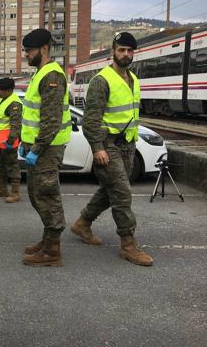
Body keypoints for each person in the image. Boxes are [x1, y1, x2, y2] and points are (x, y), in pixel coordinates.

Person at [72, 32, 153, 266]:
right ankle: (128, 244)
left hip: (127, 144)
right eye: (121, 50)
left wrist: (133, 141)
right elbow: (90, 119)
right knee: (122, 193)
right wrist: (97, 148)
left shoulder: (133, 79)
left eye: (129, 50)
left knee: (111, 190)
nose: (126, 54)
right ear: (113, 52)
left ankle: (82, 223)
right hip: (108, 145)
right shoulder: (102, 80)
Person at [20, 28, 71, 267]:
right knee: (37, 194)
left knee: (47, 195)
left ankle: (53, 251)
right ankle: (48, 239)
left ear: (43, 49)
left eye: (29, 51)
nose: (26, 55)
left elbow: (51, 121)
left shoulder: (51, 75)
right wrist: (25, 142)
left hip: (47, 149)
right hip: (39, 147)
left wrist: (36, 149)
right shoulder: (40, 74)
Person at [0, 77, 23, 203]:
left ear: (9, 90)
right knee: (0, 166)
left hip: (8, 141)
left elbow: (15, 124)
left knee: (12, 166)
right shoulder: (2, 99)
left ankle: (15, 193)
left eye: (2, 90)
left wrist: (10, 142)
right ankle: (2, 189)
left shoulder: (14, 103)